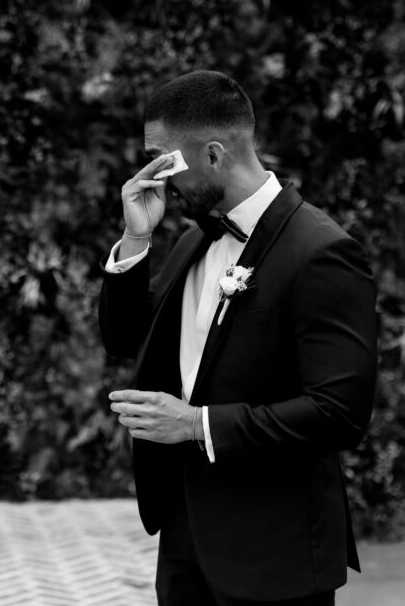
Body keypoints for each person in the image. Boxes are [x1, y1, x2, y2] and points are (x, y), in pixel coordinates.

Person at [99, 71, 377, 605]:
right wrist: (137, 238)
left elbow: (339, 412)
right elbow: (122, 337)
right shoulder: (191, 243)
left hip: (275, 554)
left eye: (163, 160)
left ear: (212, 155)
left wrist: (195, 424)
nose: (153, 177)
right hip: (186, 544)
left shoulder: (321, 252)